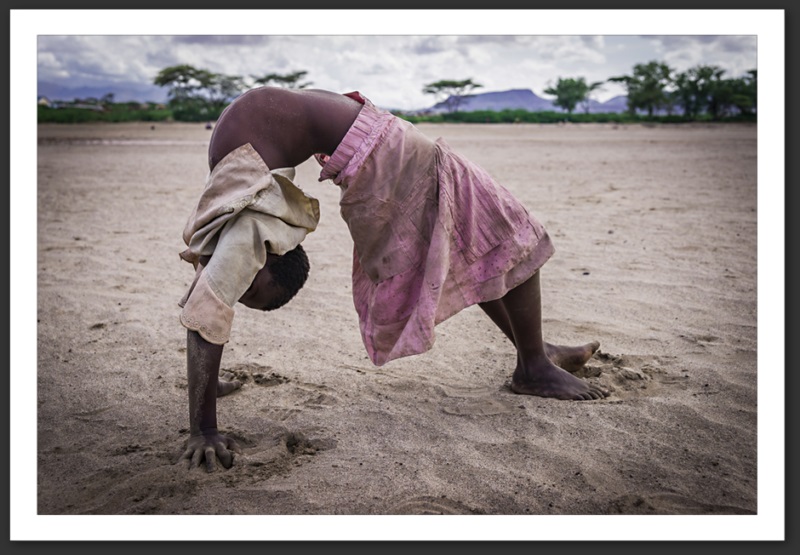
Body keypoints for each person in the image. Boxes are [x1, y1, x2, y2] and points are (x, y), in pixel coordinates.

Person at [177, 86, 607, 472]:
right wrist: (204, 410)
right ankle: (533, 362)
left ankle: (534, 352)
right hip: (378, 150)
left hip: (381, 152)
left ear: (274, 250)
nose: (243, 278)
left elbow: (205, 311)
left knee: (490, 237)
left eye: (250, 284)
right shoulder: (243, 216)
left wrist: (203, 419)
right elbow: (208, 309)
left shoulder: (242, 226)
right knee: (492, 236)